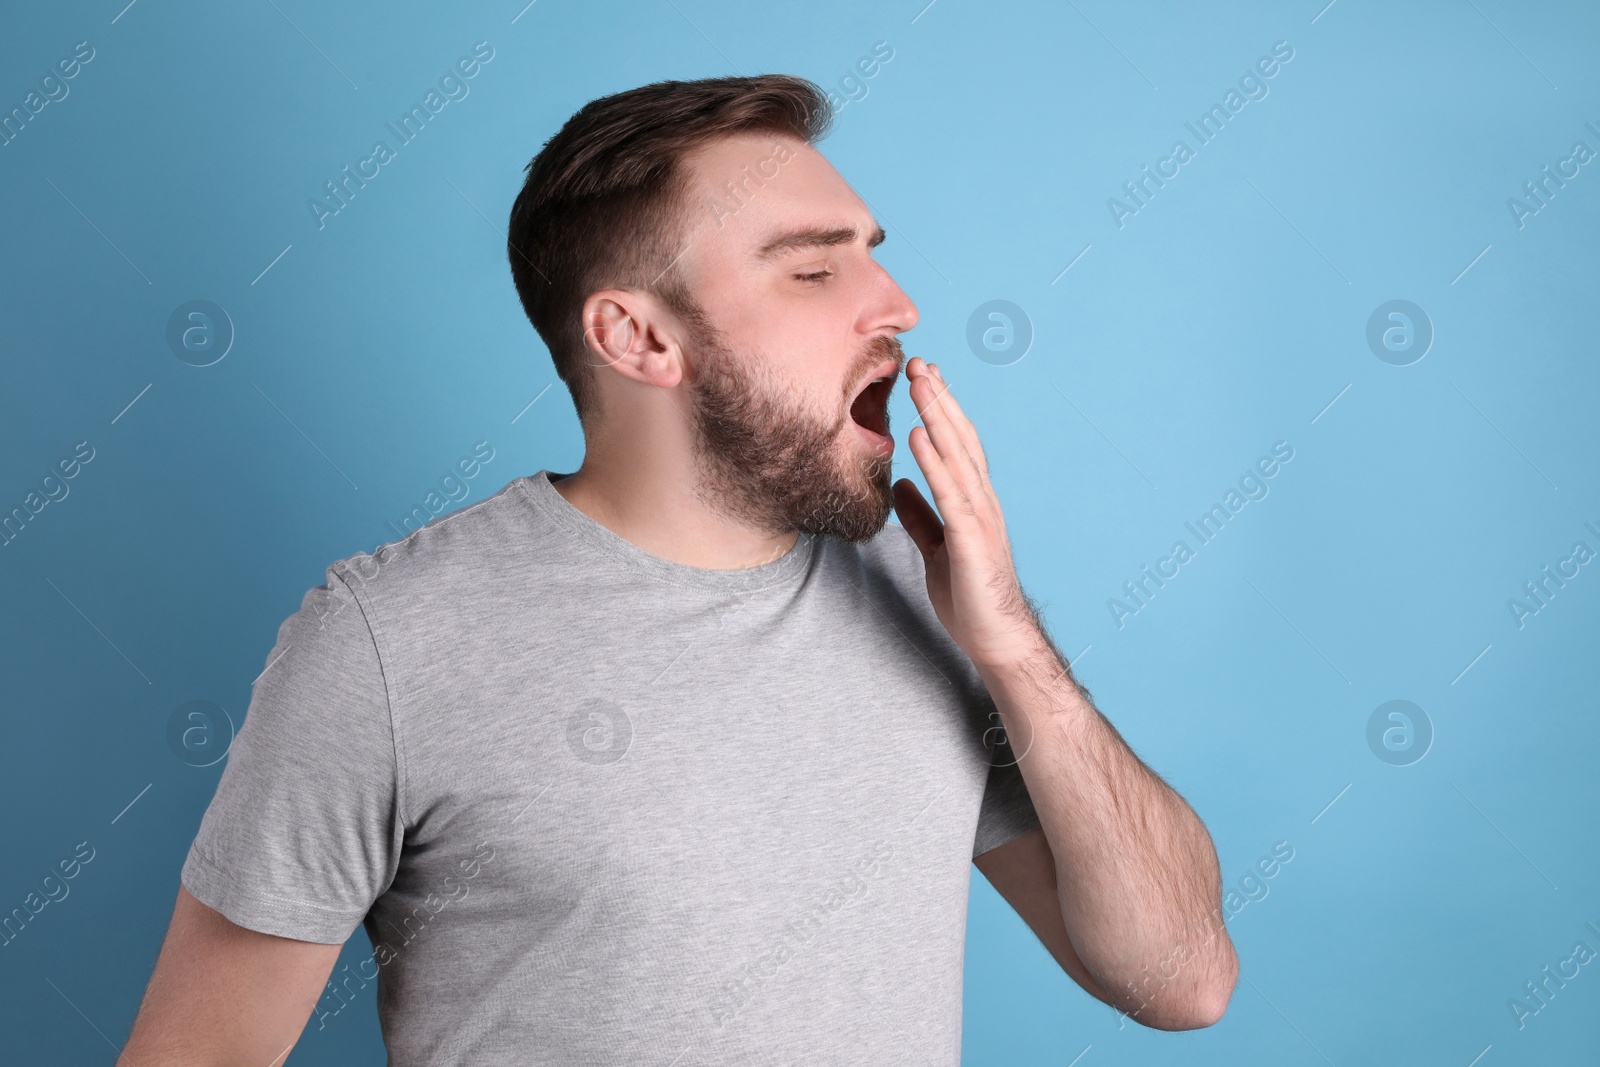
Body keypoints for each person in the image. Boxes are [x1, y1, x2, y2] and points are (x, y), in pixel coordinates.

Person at [120, 73, 1236, 1066]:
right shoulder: (384, 641)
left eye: (871, 251)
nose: (893, 305)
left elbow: (1179, 980)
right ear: (638, 339)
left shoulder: (920, 590)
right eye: (811, 269)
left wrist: (1012, 650)